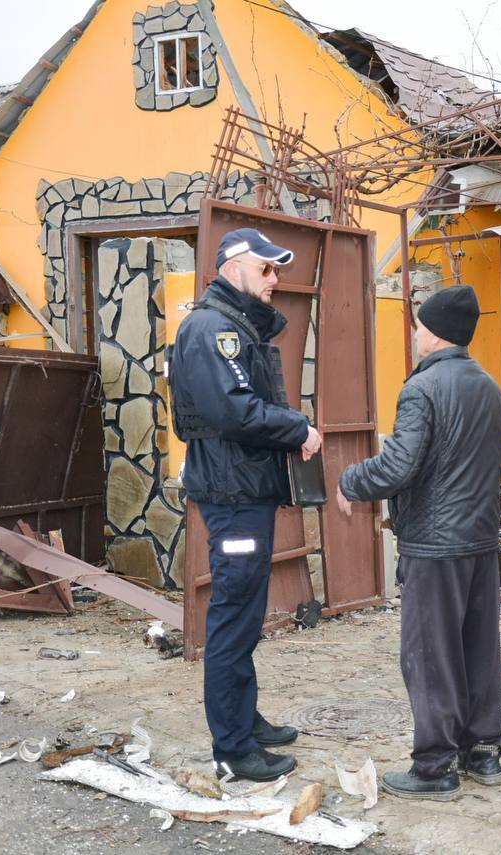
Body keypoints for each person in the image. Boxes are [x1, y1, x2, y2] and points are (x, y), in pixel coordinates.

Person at [335, 285, 501, 801]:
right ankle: (484, 752)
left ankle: (434, 767)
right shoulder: (488, 384)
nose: (413, 333)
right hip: (480, 539)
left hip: (435, 546)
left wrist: (350, 481)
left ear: (433, 333)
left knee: (431, 655)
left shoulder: (422, 389)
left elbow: (397, 465)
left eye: (417, 325)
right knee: (478, 649)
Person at [169, 227, 322, 782]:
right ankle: (233, 748)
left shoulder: (229, 326)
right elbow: (237, 412)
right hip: (232, 495)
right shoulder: (213, 330)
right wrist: (298, 427)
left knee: (246, 613)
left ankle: (243, 718)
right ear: (233, 268)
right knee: (234, 616)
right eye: (266, 270)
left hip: (243, 489)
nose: (275, 281)